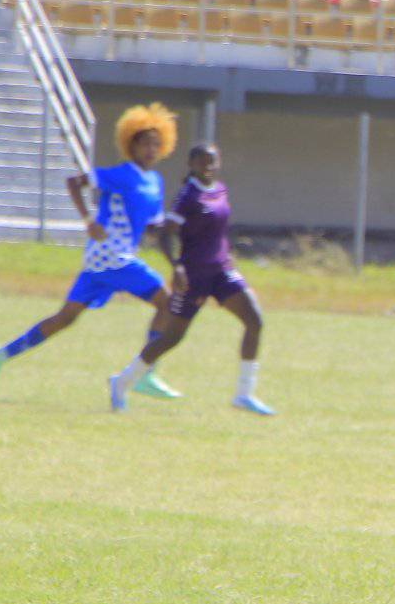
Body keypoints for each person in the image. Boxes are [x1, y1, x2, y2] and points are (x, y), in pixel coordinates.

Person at [0, 103, 183, 404]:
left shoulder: (155, 181)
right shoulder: (121, 174)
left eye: (156, 144)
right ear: (131, 144)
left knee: (66, 318)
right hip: (110, 254)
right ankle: (144, 373)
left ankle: (0, 355)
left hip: (109, 258)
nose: (150, 149)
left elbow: (153, 227)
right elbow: (74, 182)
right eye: (144, 143)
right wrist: (88, 220)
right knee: (167, 303)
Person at [109, 144, 273, 415]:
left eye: (212, 161)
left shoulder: (221, 189)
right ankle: (122, 381)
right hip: (194, 276)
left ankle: (244, 394)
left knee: (254, 320)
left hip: (221, 271)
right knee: (172, 337)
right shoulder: (188, 195)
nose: (207, 166)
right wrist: (177, 267)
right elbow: (165, 234)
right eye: (202, 162)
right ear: (192, 164)